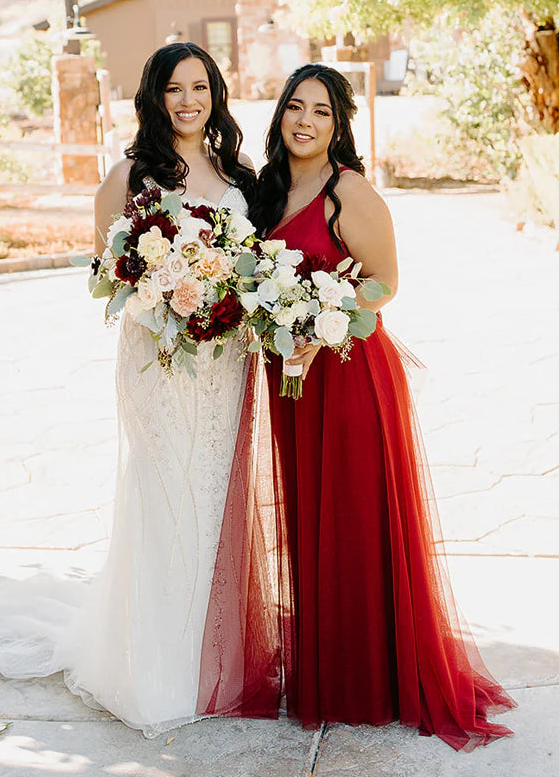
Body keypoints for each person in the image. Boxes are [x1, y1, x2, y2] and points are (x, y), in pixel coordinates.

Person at [0, 43, 256, 738]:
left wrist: (225, 301)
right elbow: (107, 271)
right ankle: (156, 668)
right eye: (173, 90)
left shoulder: (239, 174)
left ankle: (214, 655)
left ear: (215, 94)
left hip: (226, 364)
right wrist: (170, 300)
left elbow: (256, 261)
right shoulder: (129, 176)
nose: (188, 101)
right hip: (159, 361)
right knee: (164, 496)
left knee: (216, 502)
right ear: (153, 98)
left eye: (200, 88)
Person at [233, 63, 515, 751]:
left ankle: (373, 679)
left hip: (350, 375)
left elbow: (386, 282)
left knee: (356, 522)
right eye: (295, 107)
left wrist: (319, 311)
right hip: (291, 380)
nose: (304, 121)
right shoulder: (267, 190)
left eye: (321, 112)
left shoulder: (349, 192)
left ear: (340, 125)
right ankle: (326, 670)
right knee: (309, 519)